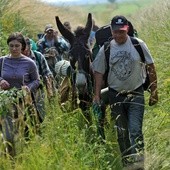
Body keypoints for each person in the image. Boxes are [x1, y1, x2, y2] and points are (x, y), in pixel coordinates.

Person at [92, 15, 158, 169]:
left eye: (121, 32)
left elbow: (151, 66)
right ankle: (127, 163)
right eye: (115, 32)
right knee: (121, 133)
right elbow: (98, 73)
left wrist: (154, 91)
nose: (118, 35)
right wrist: (96, 95)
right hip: (116, 96)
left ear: (127, 29)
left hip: (136, 93)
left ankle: (140, 164)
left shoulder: (138, 44)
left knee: (135, 130)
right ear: (111, 31)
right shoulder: (106, 49)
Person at [0, 32, 40, 156]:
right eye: (11, 46)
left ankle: (25, 157)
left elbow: (37, 80)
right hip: (6, 103)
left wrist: (28, 88)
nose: (14, 49)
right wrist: (1, 80)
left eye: (17, 46)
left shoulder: (29, 63)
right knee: (8, 135)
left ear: (22, 46)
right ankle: (11, 159)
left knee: (25, 134)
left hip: (24, 103)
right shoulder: (2, 61)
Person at [23, 37, 55, 122]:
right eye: (23, 49)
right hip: (22, 92)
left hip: (37, 91)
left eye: (26, 48)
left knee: (40, 115)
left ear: (30, 47)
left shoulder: (38, 56)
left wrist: (50, 90)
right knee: (25, 116)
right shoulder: (17, 59)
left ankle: (39, 131)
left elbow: (47, 73)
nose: (24, 52)